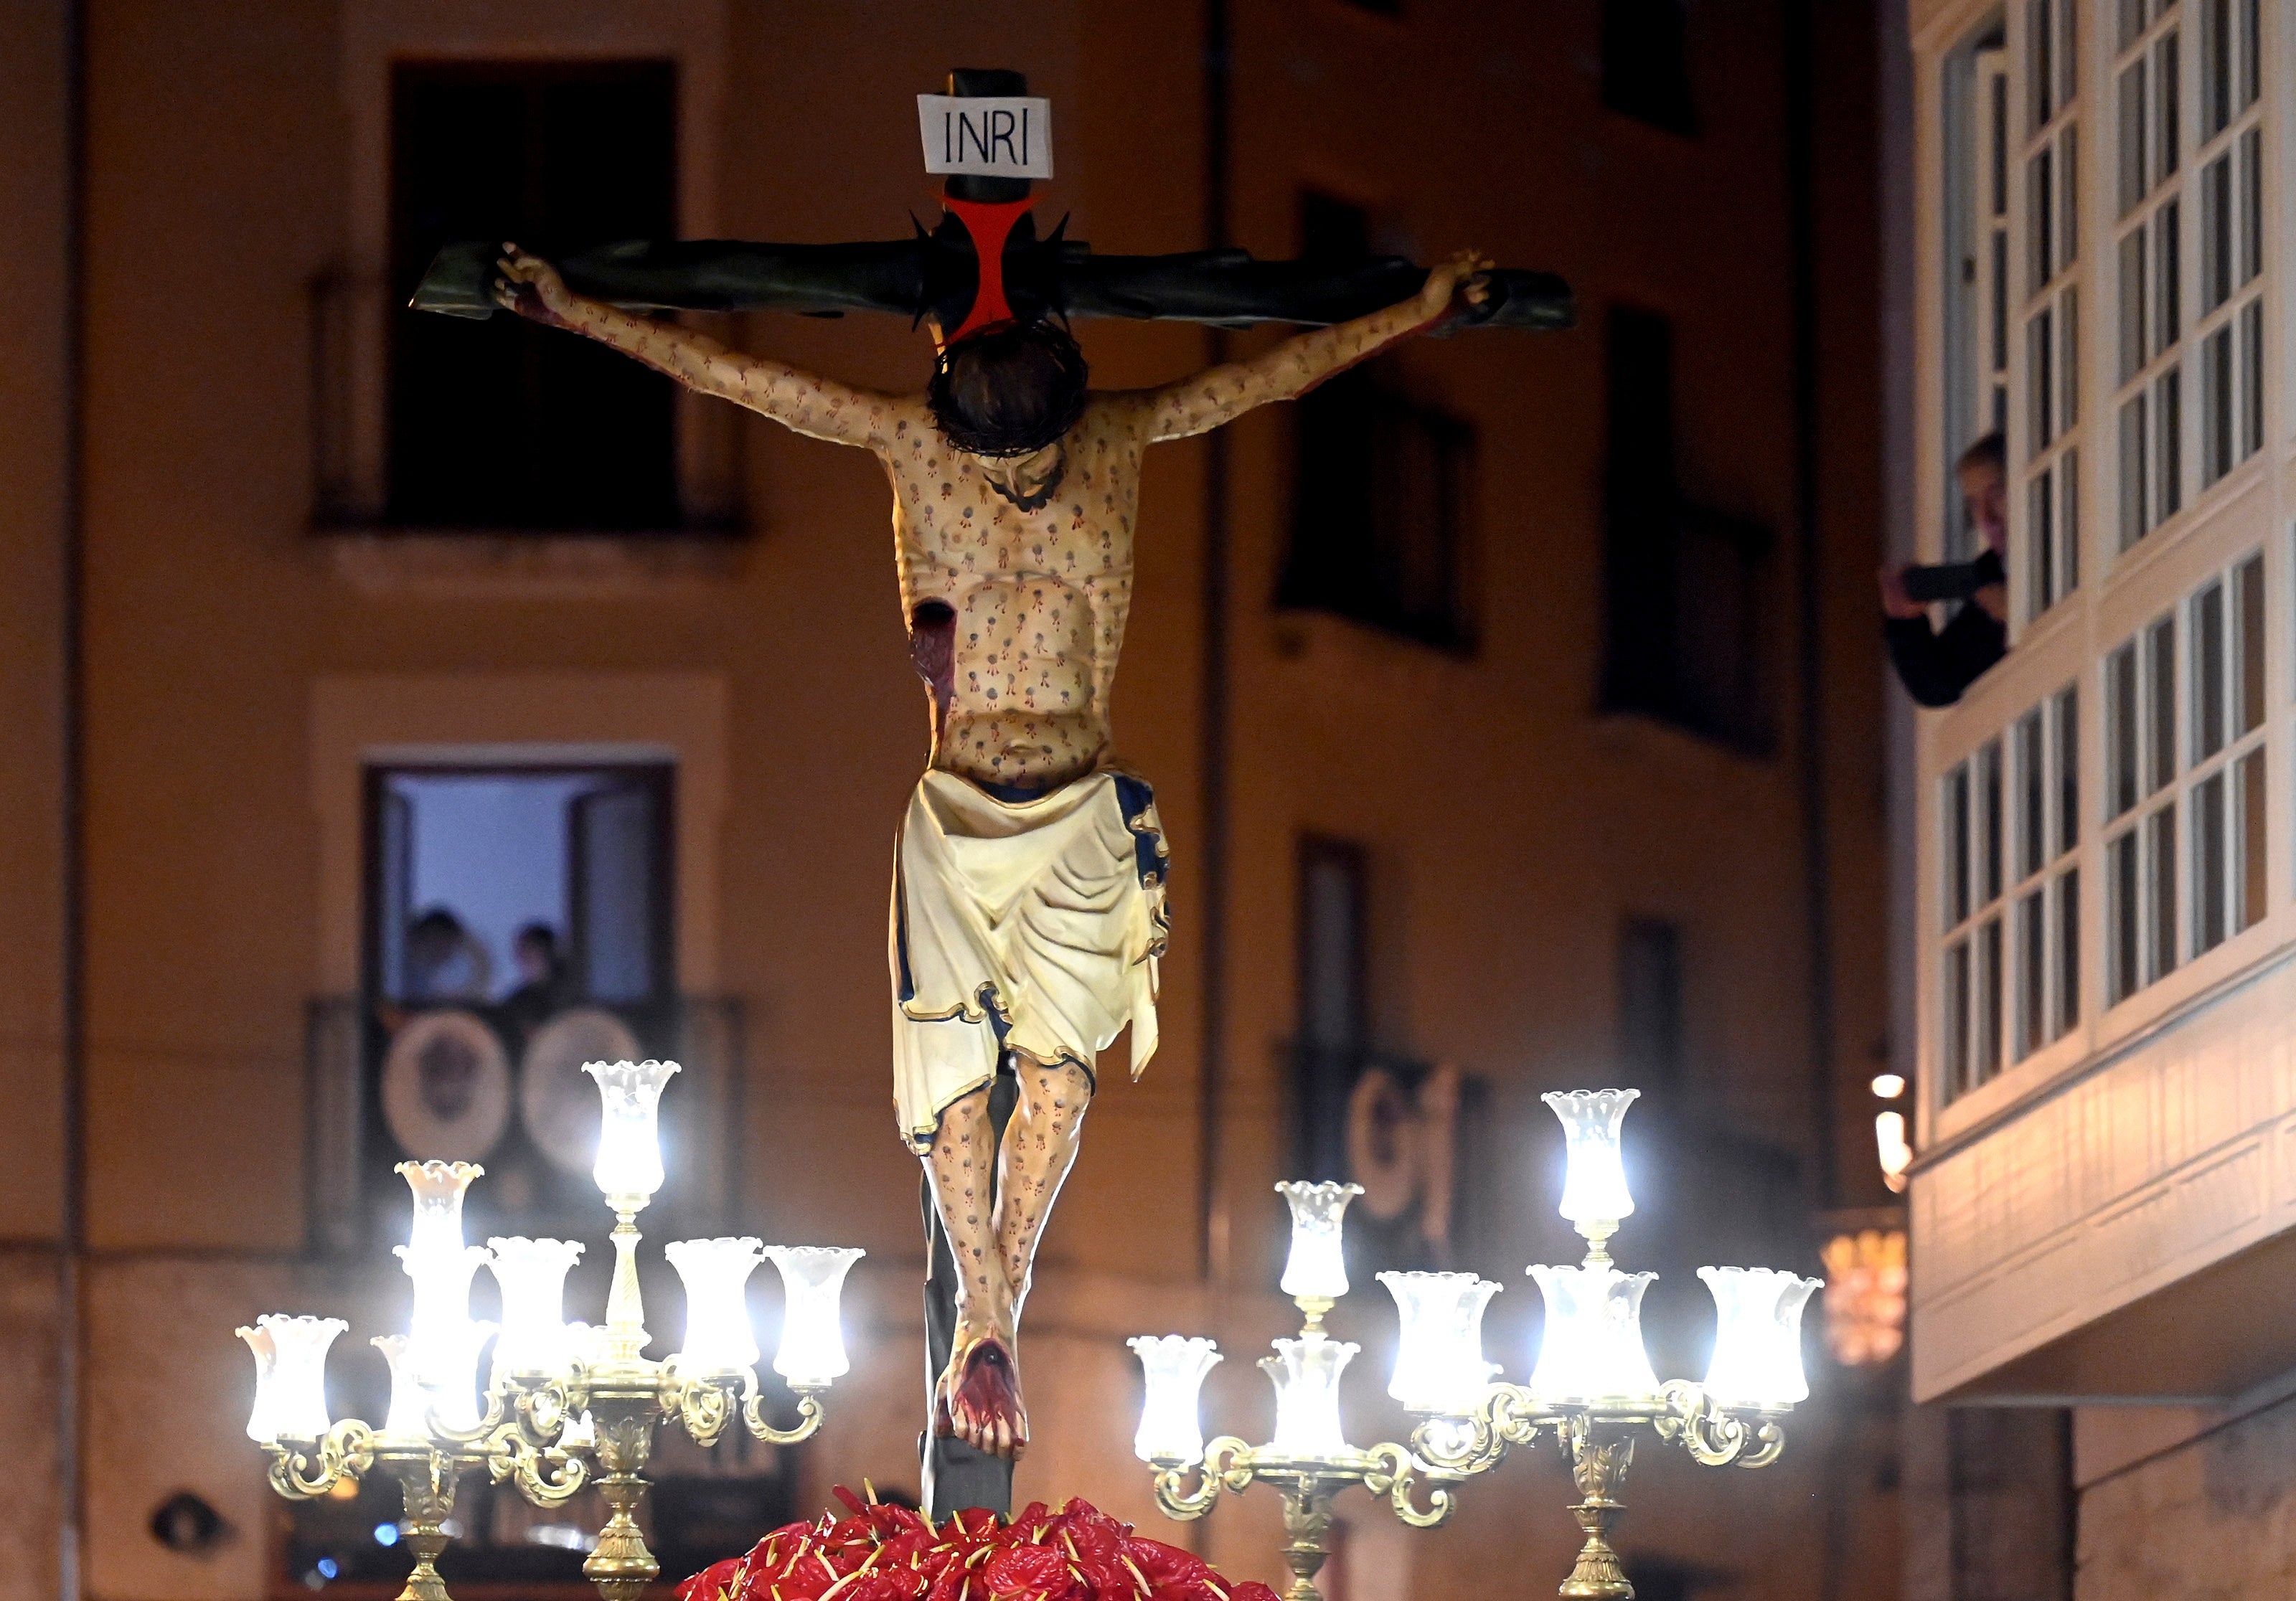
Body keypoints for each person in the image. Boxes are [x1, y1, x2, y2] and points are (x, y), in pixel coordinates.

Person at [489, 244, 1495, 1469]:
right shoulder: (911, 441)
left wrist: (1418, 311)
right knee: (959, 1089)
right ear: (955, 410)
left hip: (1078, 806)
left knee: (1060, 1087)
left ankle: (985, 1316)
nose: (1017, 476)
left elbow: (1270, 379)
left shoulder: (1122, 438)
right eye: (995, 455)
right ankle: (987, 1315)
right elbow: (744, 380)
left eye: (1034, 454)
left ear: (1073, 405)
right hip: (960, 808)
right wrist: (578, 311)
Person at [1880, 433, 2008, 707]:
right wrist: (1906, 624)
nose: (1986, 518)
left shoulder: (2066, 554)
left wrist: (2021, 614)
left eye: (1997, 494)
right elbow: (1939, 686)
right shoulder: (1988, 574)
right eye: (1974, 503)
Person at [499, 922, 573, 1040]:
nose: (522, 958)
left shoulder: (573, 989)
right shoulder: (519, 1000)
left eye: (529, 950)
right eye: (520, 952)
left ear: (547, 950)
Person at [403, 907, 493, 1003]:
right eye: (437, 941)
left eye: (450, 946)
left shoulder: (424, 984)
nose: (443, 952)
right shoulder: (398, 979)